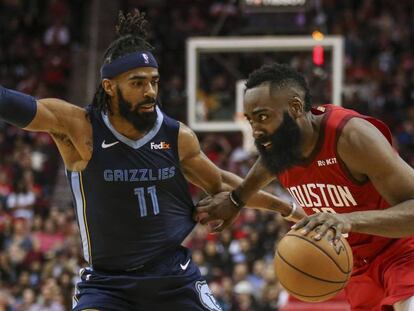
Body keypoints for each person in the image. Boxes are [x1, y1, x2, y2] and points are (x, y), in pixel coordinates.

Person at [0, 11, 305, 311]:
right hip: (108, 283)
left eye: (154, 82)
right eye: (137, 83)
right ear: (109, 86)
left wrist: (285, 207)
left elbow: (222, 182)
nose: (149, 92)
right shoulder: (80, 128)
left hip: (172, 276)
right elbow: (17, 106)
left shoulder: (176, 136)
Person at [196, 63, 414, 311]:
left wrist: (349, 220)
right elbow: (264, 166)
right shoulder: (280, 148)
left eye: (262, 117)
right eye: (250, 120)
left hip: (402, 249)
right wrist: (237, 199)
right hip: (356, 264)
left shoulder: (351, 138)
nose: (255, 130)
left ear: (296, 107)